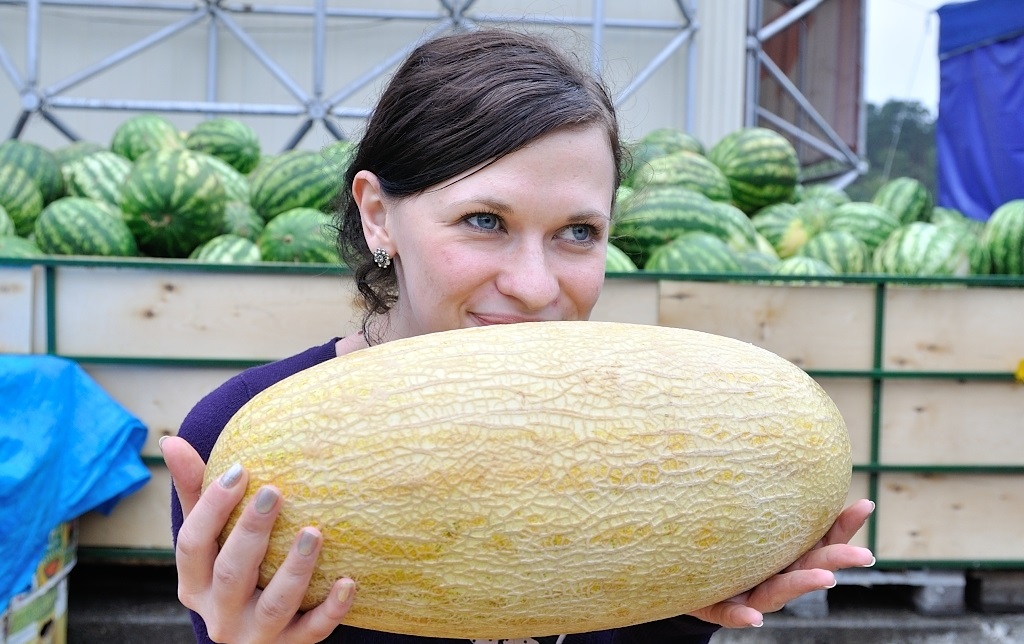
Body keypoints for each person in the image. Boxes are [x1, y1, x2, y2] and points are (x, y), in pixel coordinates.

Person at [162, 27, 876, 644]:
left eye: (578, 232)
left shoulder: (660, 431)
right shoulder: (241, 438)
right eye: (485, 221)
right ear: (378, 214)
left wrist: (681, 610)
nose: (535, 286)